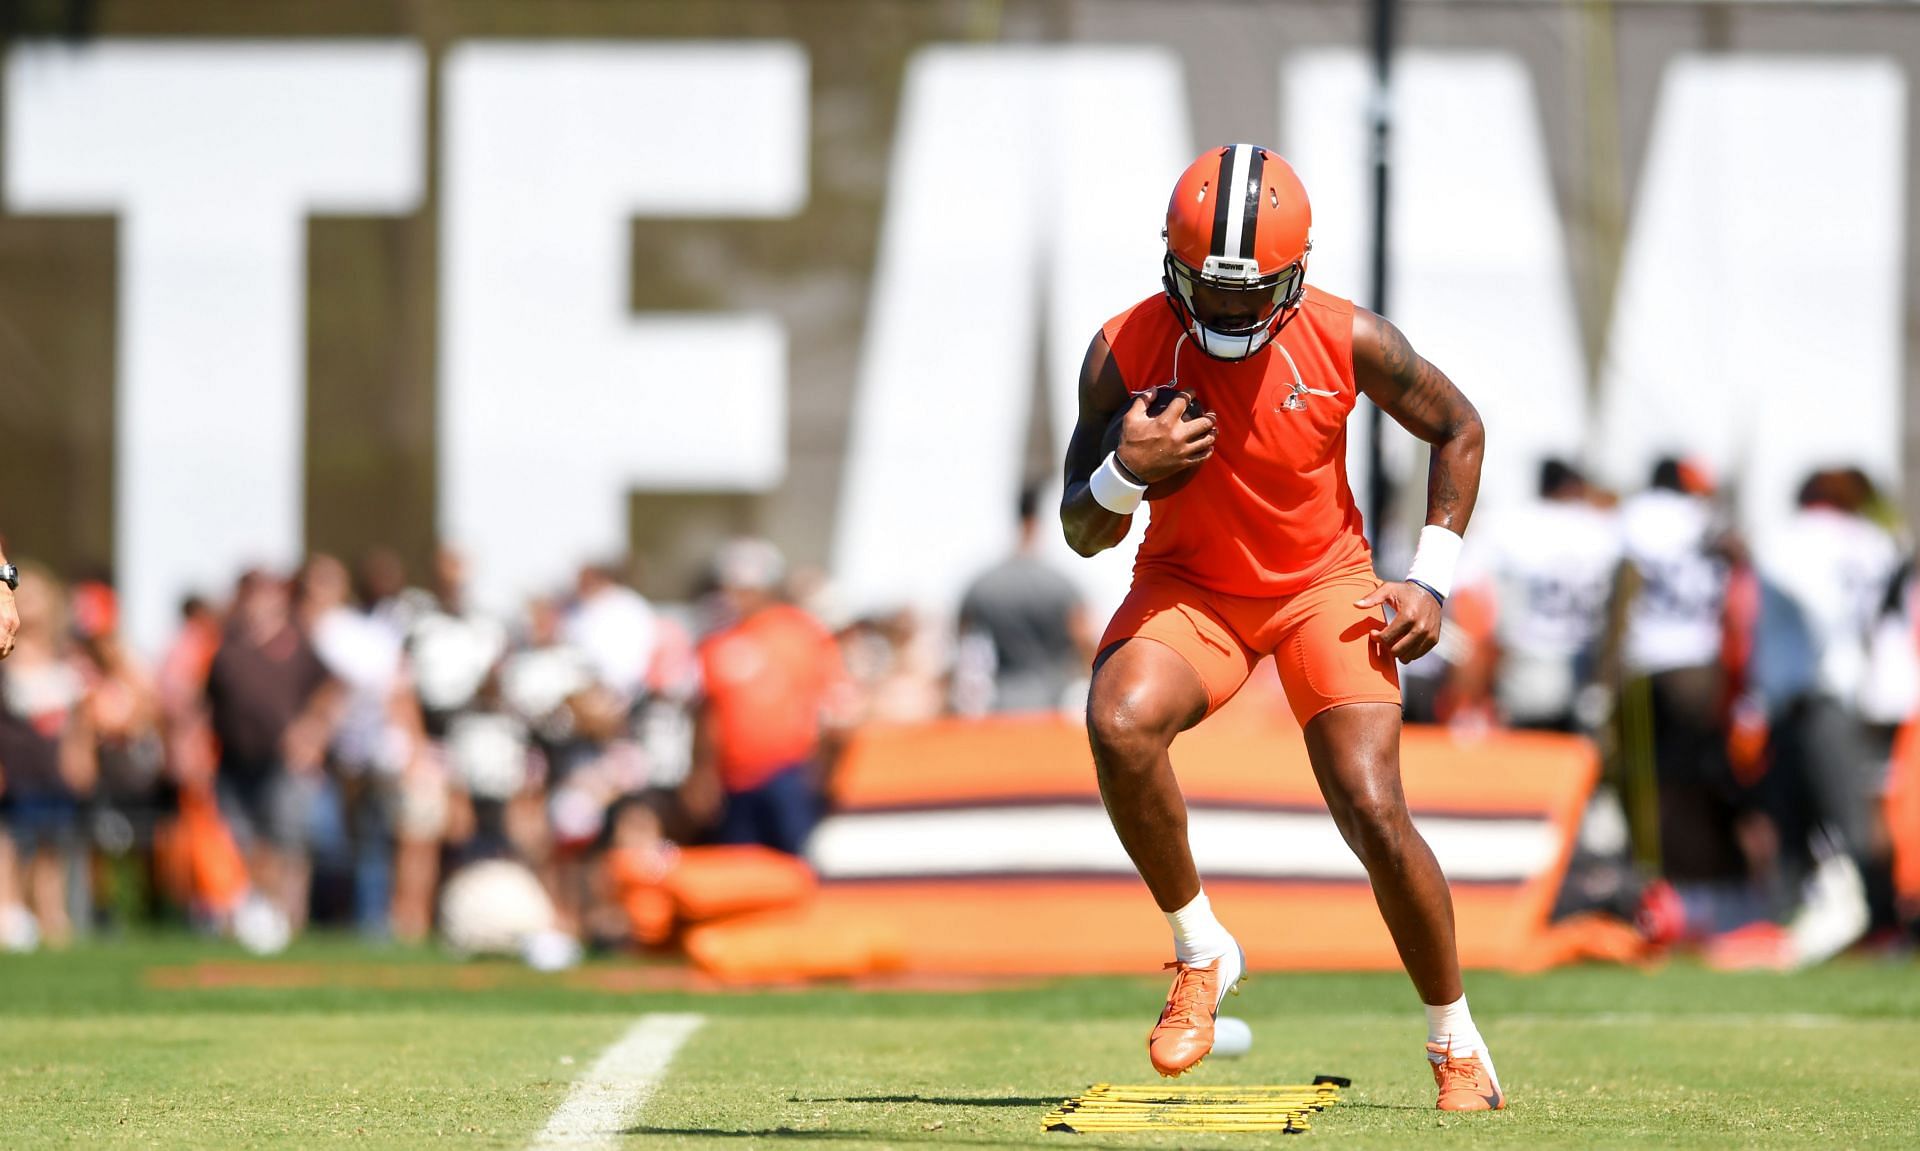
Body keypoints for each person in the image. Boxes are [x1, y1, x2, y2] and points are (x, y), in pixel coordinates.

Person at [1060, 145, 1499, 1109]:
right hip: (1192, 585)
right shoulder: (1123, 348)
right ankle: (1201, 949)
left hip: (1322, 583)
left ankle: (1454, 1037)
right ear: (1171, 266)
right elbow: (1080, 529)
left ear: (1293, 276)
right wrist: (1125, 471)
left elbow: (1459, 426)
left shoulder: (1350, 336)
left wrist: (1433, 577)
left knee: (1371, 805)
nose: (1226, 314)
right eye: (1209, 294)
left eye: (1247, 295)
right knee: (1118, 724)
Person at [682, 539, 849, 855]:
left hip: (789, 774)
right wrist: (703, 774)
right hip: (733, 781)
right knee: (739, 870)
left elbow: (832, 703)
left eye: (742, 588)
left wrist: (822, 769)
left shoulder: (802, 633)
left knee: (797, 863)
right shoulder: (717, 641)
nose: (733, 596)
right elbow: (708, 713)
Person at [957, 484, 1095, 713]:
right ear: (1037, 521)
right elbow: (1085, 640)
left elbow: (961, 639)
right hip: (1053, 704)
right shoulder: (1061, 584)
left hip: (1001, 703)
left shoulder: (983, 584)